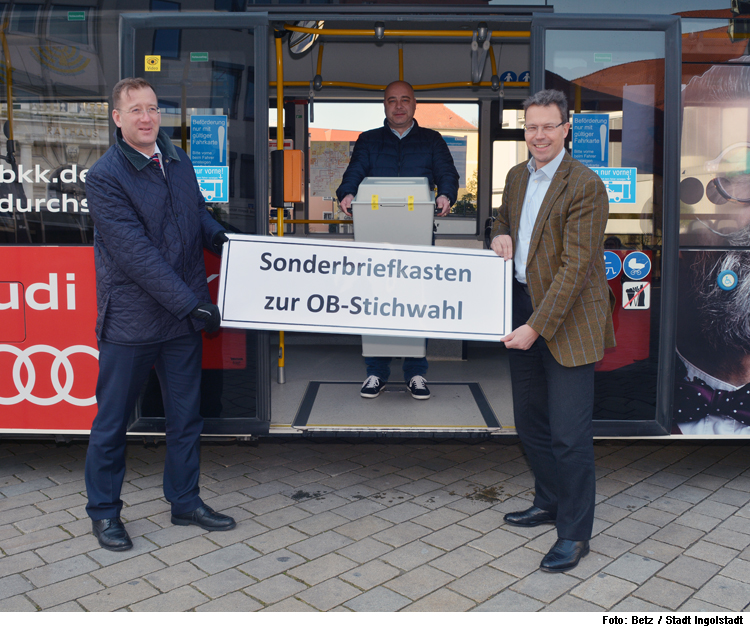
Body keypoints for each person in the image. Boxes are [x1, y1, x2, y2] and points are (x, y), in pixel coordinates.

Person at [84, 77, 235, 552]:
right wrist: (192, 303)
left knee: (185, 418)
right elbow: (136, 256)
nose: (147, 118)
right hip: (131, 320)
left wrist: (217, 236)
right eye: (136, 111)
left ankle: (185, 501)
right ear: (118, 119)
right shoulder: (105, 177)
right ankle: (105, 514)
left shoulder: (176, 159)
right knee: (112, 423)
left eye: (152, 108)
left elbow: (196, 211)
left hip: (179, 321)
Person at [491, 89, 614, 572]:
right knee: (531, 423)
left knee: (569, 436)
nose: (538, 135)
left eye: (548, 126)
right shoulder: (516, 176)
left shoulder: (585, 185)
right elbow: (503, 222)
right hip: (522, 308)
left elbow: (577, 267)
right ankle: (548, 502)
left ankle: (575, 534)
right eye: (531, 126)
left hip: (566, 323)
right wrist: (497, 232)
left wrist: (535, 328)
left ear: (566, 129)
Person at [336, 80, 459, 401]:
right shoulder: (369, 140)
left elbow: (448, 173)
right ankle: (375, 373)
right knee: (376, 303)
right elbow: (355, 171)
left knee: (417, 303)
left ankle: (416, 372)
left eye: (405, 100)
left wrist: (446, 194)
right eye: (392, 100)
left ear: (415, 104)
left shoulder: (432, 140)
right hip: (375, 238)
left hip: (417, 238)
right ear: (385, 106)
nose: (399, 106)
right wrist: (346, 192)